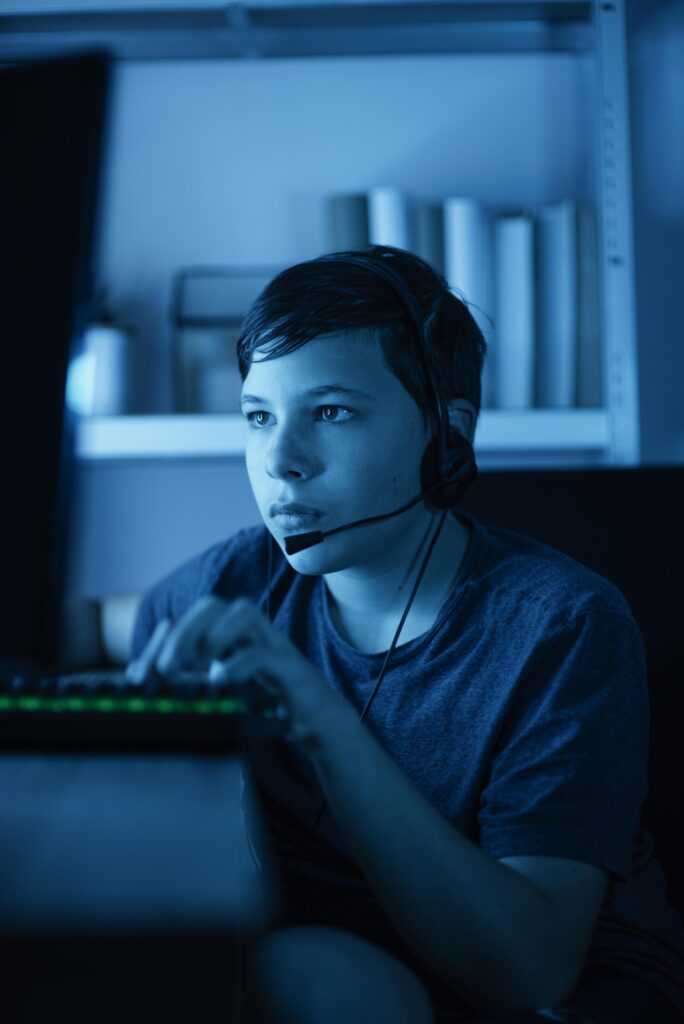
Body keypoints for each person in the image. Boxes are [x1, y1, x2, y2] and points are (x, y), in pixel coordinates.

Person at [122, 246, 684, 1023]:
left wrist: (320, 719)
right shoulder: (201, 600)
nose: (281, 462)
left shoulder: (563, 628)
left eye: (331, 413)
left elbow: (531, 972)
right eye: (259, 417)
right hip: (340, 975)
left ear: (445, 434)